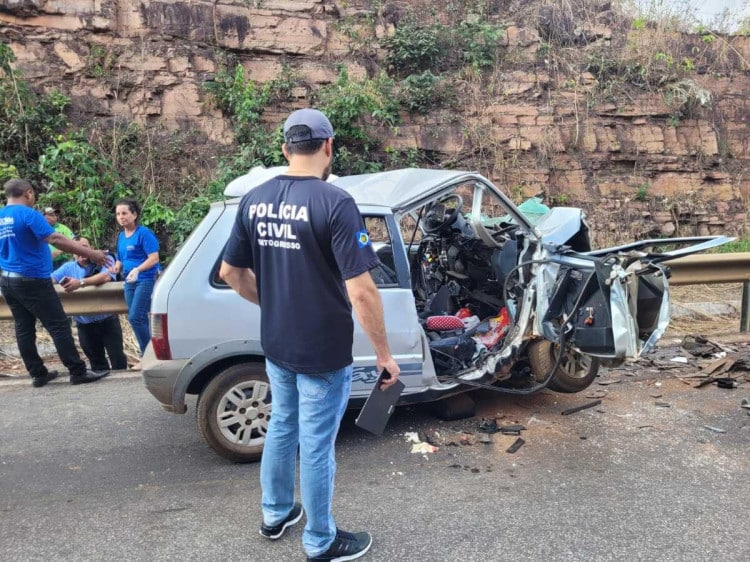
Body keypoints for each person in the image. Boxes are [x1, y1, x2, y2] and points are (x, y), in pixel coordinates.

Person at [220, 108, 400, 562]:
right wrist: (384, 355)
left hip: (277, 343)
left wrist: (274, 304)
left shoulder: (254, 199)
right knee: (317, 443)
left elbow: (230, 273)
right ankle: (321, 541)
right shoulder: (335, 203)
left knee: (282, 424)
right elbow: (361, 292)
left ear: (285, 148)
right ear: (328, 146)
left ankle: (276, 512)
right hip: (322, 349)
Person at [0, 178, 111, 387]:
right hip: (32, 279)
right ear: (28, 193)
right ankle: (77, 371)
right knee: (59, 325)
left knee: (24, 328)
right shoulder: (28, 214)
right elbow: (55, 239)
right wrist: (91, 253)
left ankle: (37, 374)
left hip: (7, 280)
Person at [51, 236, 128, 372]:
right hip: (84, 324)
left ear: (91, 249)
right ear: (72, 250)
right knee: (96, 365)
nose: (81, 251)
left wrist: (79, 283)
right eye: (77, 248)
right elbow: (50, 280)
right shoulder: (67, 267)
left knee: (118, 361)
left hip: (108, 320)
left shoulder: (105, 259)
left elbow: (106, 276)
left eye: (85, 247)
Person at [109, 198, 160, 367]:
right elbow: (121, 258)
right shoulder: (121, 237)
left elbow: (154, 258)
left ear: (134, 214)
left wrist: (138, 270)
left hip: (145, 280)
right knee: (139, 319)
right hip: (129, 282)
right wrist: (116, 267)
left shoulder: (144, 233)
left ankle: (147, 358)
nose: (121, 217)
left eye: (124, 213)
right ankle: (154, 355)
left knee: (135, 317)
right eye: (118, 214)